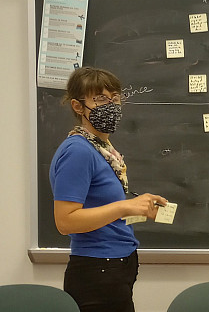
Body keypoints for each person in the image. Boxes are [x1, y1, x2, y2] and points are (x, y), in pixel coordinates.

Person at [49, 66, 167, 312]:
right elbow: (65, 221)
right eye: (100, 98)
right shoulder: (78, 152)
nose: (111, 105)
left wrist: (139, 211)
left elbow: (103, 214)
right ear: (78, 106)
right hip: (96, 270)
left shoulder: (103, 150)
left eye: (115, 98)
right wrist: (125, 204)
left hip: (116, 265)